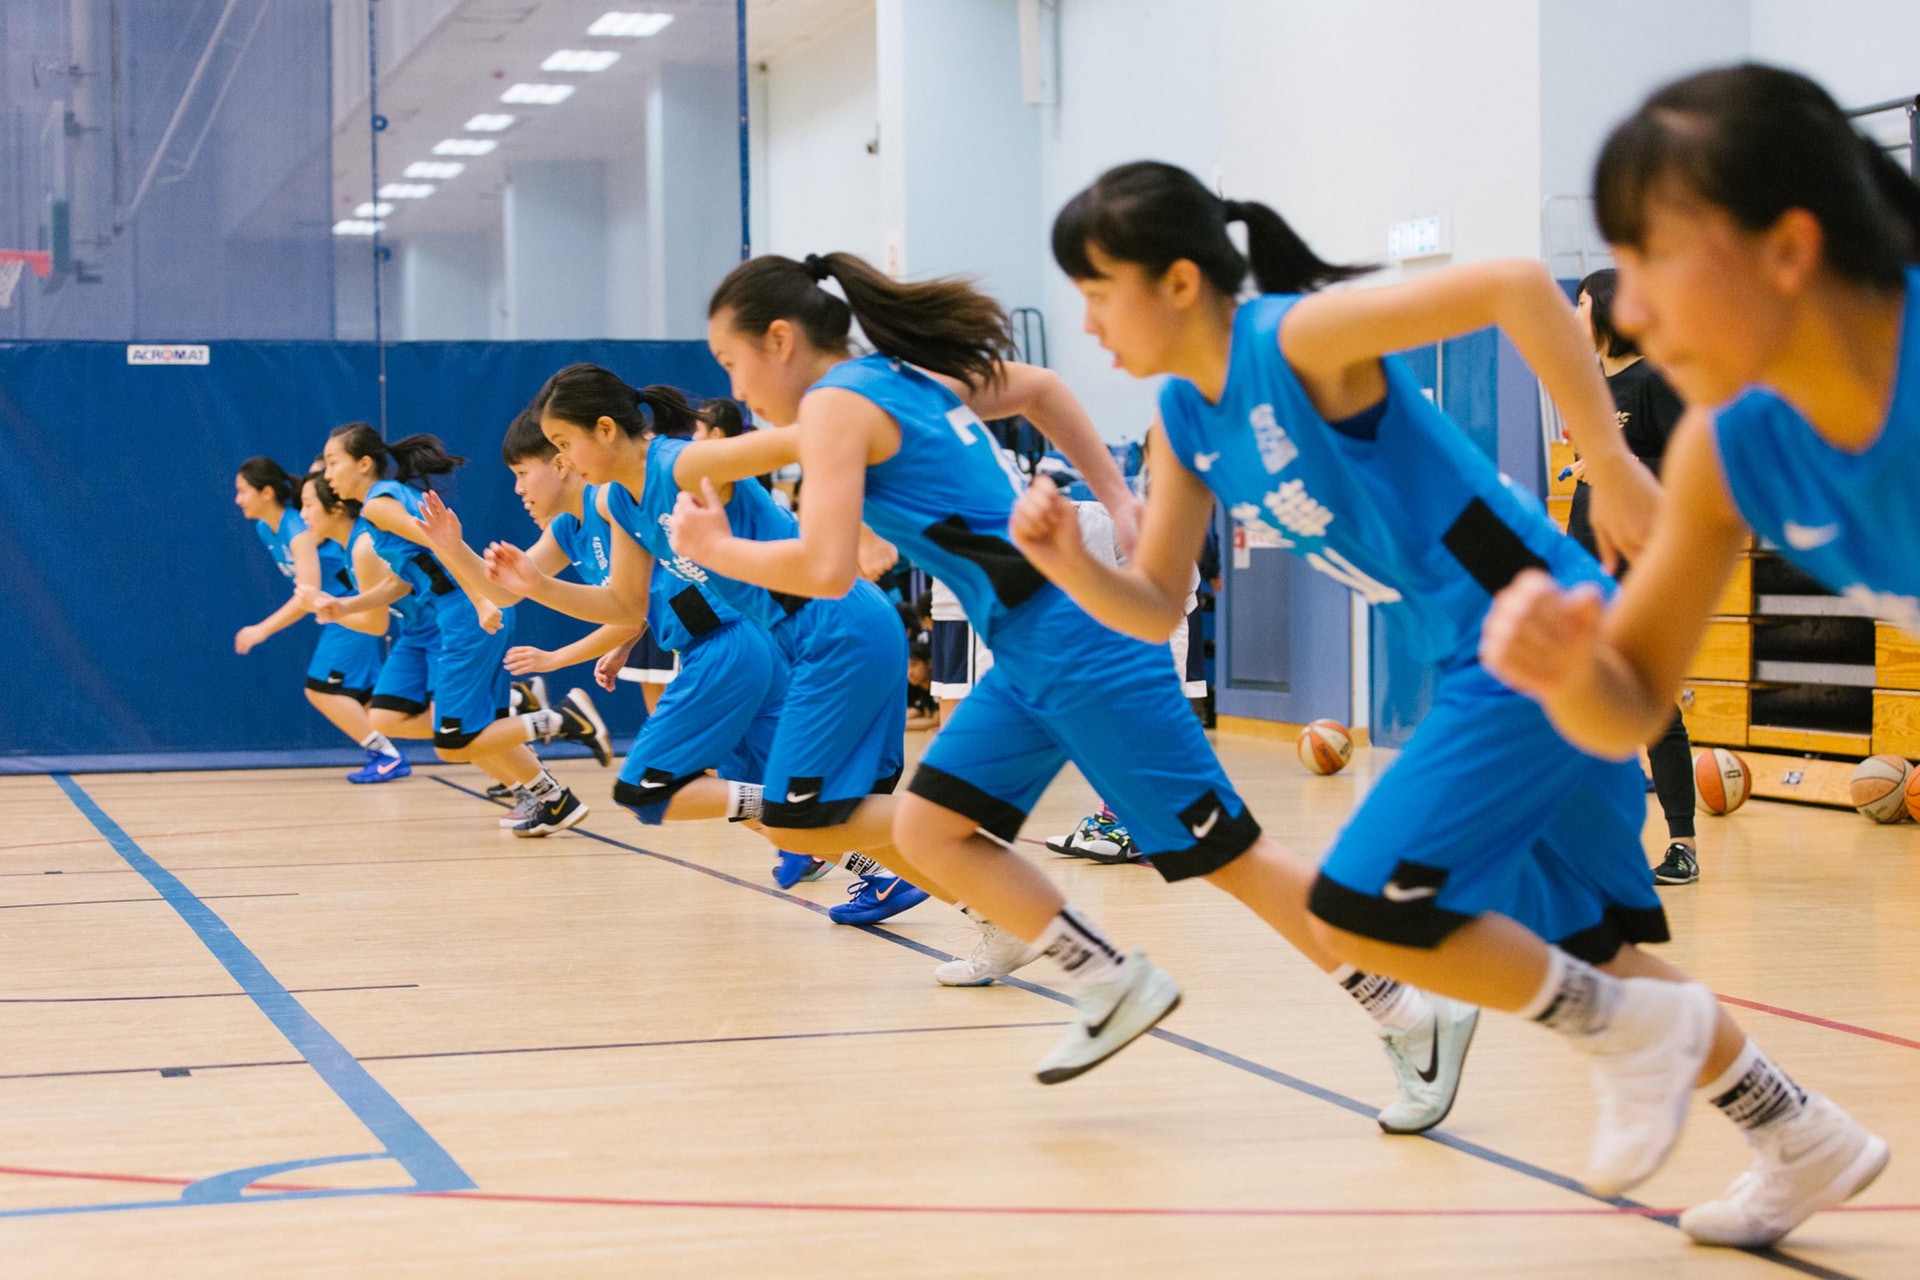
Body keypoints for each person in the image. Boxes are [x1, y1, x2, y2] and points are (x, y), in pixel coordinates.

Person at [1033, 157, 1880, 1247]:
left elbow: (1516, 284)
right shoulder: (1182, 421)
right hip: (1479, 659)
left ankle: (1639, 1035)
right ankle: (1800, 1131)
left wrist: (1609, 455)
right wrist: (1066, 560)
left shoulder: (1294, 340)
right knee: (1592, 944)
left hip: (1531, 634)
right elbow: (1153, 605)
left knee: (1361, 908)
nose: (1091, 324)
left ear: (1183, 280)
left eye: (1101, 290)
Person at [666, 248, 1476, 1133]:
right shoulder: (892, 380)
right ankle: (1108, 977)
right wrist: (1120, 499)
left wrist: (716, 552)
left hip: (1079, 645)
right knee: (930, 830)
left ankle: (1411, 1009)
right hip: (1032, 648)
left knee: (1228, 855)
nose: (735, 388)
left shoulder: (837, 406)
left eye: (730, 364)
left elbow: (827, 569)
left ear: (779, 340)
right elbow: (1043, 390)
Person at [1481, 63, 1901, 1246]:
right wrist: (1569, 663)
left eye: (1654, 264)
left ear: (1787, 250)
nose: (1636, 314)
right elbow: (1630, 710)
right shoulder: (1730, 445)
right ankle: (1797, 1144)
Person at [483, 371, 931, 924]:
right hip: (797, 640)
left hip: (836, 624)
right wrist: (537, 586)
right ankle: (985, 909)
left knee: (793, 810)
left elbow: (816, 439)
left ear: (603, 430)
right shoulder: (622, 503)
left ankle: (962, 813)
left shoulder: (682, 465)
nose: (564, 462)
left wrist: (866, 527)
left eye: (562, 445)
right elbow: (626, 609)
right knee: (811, 816)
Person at [317, 424, 608, 835]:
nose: (327, 474)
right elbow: (407, 577)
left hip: (462, 613)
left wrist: (480, 600)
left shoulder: (379, 504)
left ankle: (559, 722)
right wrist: (347, 604)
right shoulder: (386, 503)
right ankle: (552, 794)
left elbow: (442, 544)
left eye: (333, 462)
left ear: (364, 464)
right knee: (389, 716)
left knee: (455, 740)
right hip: (444, 616)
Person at [413, 408, 648, 829]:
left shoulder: (608, 501)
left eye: (522, 474)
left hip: (727, 633)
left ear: (560, 463)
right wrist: (451, 546)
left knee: (655, 789)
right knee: (659, 790)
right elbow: (502, 593)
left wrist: (559, 657)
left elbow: (632, 610)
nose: (519, 489)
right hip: (698, 640)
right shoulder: (565, 527)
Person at [1563, 268, 1701, 886]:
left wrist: (1621, 465)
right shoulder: (1591, 386)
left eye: (1581, 302)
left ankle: (1682, 844)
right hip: (1584, 557)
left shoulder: (1654, 381)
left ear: (1610, 310)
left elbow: (1685, 471)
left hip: (1640, 566)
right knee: (1573, 700)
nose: (1573, 313)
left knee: (1651, 705)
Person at [232, 457, 395, 778]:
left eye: (243, 491)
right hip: (336, 609)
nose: (238, 499)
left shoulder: (298, 529)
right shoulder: (267, 528)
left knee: (320, 688)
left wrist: (262, 630)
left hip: (351, 606)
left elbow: (307, 594)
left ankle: (386, 755)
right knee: (370, 699)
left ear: (266, 492)